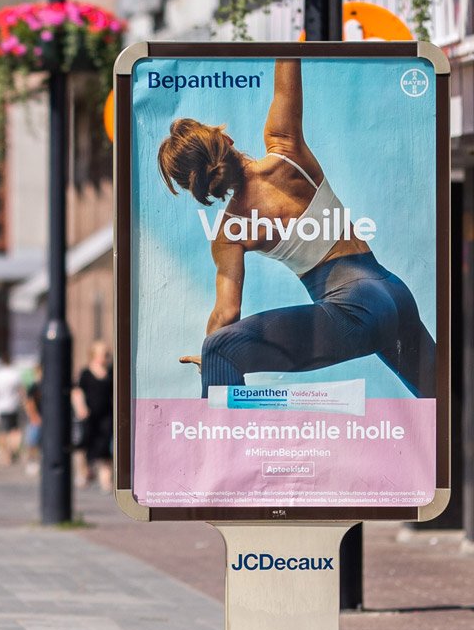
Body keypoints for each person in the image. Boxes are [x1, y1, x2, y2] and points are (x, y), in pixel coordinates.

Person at [159, 57, 434, 394]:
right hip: (394, 292)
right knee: (448, 409)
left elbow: (226, 313)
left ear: (197, 186)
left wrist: (210, 357)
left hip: (355, 310)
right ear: (226, 141)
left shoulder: (230, 233)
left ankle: (215, 446)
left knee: (218, 348)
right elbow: (288, 58)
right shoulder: (286, 149)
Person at [73, 341, 115, 492]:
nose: (106, 357)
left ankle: (106, 480)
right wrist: (81, 408)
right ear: (94, 355)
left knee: (105, 447)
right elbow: (77, 391)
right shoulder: (86, 373)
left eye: (107, 354)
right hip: (89, 416)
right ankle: (83, 474)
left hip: (107, 415)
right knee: (84, 444)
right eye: (103, 354)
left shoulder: (111, 372)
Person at [0, 356, 23, 468]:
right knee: (14, 430)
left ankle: (4, 456)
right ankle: (13, 450)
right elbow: (21, 389)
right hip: (13, 405)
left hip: (0, 406)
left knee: (2, 432)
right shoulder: (14, 374)